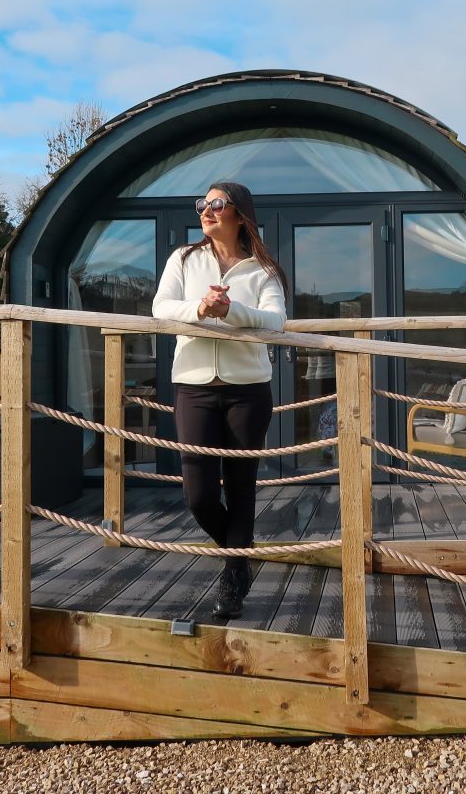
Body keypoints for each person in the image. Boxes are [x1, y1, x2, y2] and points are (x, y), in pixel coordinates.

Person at [152, 180, 287, 618]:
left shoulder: (263, 271)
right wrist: (199, 309)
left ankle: (232, 584)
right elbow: (160, 308)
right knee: (199, 494)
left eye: (215, 204)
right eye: (202, 204)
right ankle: (240, 556)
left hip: (248, 390)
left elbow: (276, 322)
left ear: (240, 214)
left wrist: (230, 311)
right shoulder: (184, 259)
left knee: (242, 487)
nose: (205, 211)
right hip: (193, 384)